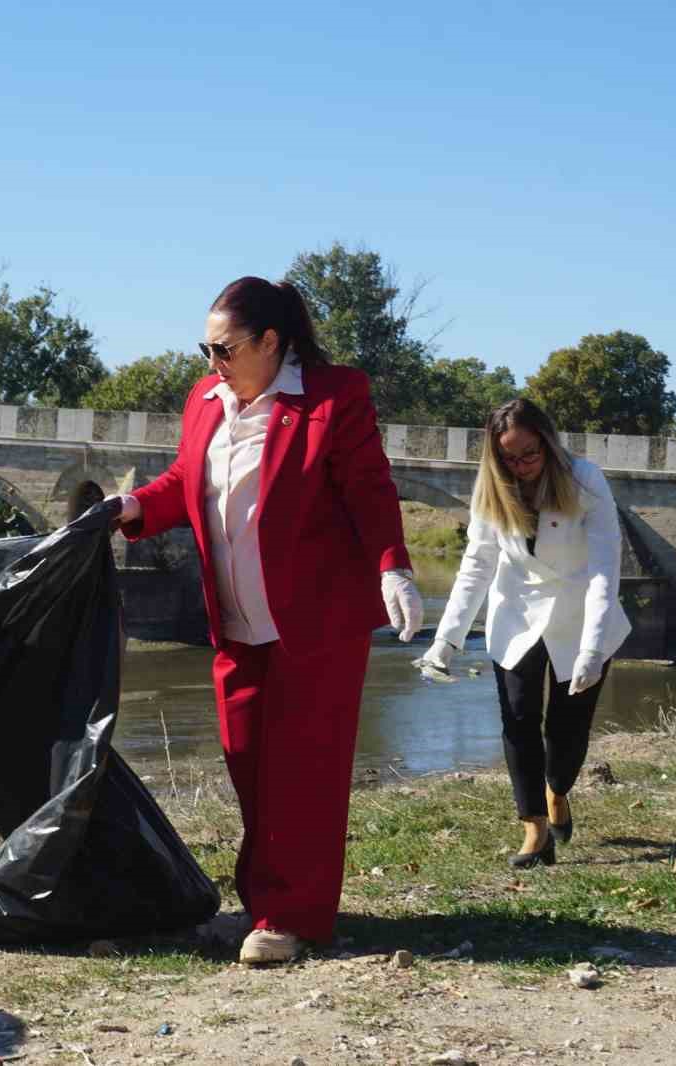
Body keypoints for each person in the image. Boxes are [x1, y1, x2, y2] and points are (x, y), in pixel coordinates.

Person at [113, 276, 422, 965]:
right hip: (237, 620)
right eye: (205, 349)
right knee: (249, 761)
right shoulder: (205, 401)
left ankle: (294, 917)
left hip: (317, 622)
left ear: (271, 343)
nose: (211, 362)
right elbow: (185, 482)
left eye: (223, 349)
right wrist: (133, 506)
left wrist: (392, 566)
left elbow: (370, 488)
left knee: (304, 771)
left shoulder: (333, 397)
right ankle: (263, 902)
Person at [416, 398, 631, 868]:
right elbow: (477, 565)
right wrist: (446, 640)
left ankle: (557, 790)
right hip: (517, 613)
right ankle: (534, 828)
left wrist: (593, 647)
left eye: (529, 454)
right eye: (509, 458)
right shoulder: (493, 487)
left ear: (549, 443)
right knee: (518, 720)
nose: (520, 466)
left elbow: (603, 569)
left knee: (567, 732)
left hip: (581, 614)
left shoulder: (586, 480)